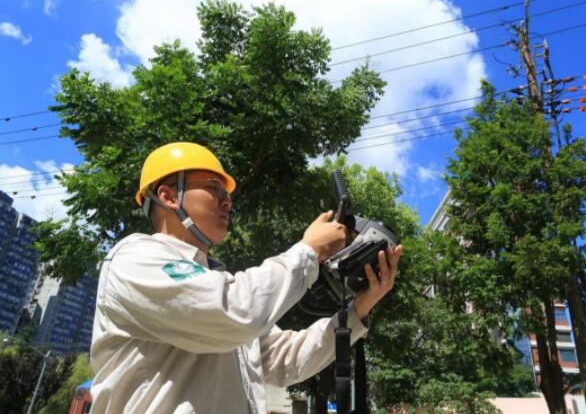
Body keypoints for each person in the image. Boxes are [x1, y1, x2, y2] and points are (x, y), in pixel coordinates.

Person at [90, 142, 402, 413]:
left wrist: (360, 307)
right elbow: (236, 311)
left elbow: (287, 359)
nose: (227, 201)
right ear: (169, 196)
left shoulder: (214, 282)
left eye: (227, 193)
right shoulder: (135, 257)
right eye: (214, 188)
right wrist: (308, 251)